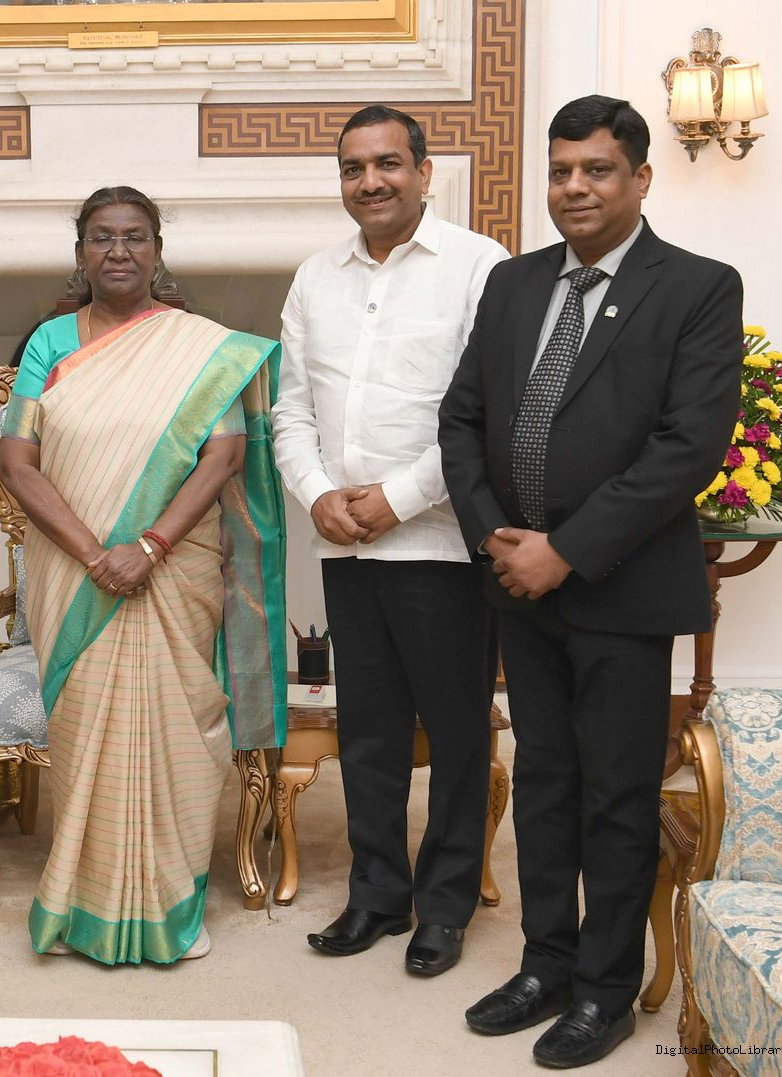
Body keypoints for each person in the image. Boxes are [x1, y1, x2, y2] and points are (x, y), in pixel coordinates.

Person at [438, 95, 742, 1068]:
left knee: (616, 793)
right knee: (542, 781)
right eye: (561, 170)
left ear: (640, 179)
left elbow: (686, 447)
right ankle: (547, 965)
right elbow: (460, 419)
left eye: (597, 170)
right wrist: (494, 537)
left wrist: (563, 550)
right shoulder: (513, 282)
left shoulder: (696, 287)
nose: (574, 187)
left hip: (621, 587)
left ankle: (606, 991)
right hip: (517, 585)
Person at [0, 186, 286, 965]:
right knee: (84, 734)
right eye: (101, 237)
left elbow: (224, 454)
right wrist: (98, 554)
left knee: (181, 729)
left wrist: (150, 545)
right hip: (74, 572)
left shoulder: (200, 346)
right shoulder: (50, 343)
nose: (118, 250)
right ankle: (82, 904)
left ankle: (170, 907)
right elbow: (17, 462)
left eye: (134, 236)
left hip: (175, 567)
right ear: (80, 252)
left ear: (158, 250)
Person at [272, 105, 507, 976]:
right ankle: (377, 893)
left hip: (441, 546)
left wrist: (398, 499)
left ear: (424, 171)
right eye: (352, 168)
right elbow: (290, 409)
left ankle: (444, 905)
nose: (369, 181)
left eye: (387, 164)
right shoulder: (314, 277)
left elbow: (485, 412)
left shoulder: (479, 266)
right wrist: (317, 494)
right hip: (345, 545)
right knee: (367, 732)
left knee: (455, 734)